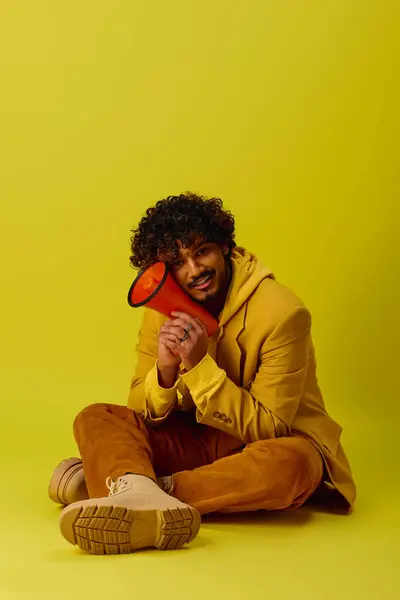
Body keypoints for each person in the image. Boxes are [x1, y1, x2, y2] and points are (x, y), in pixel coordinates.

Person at [48, 192, 356, 555]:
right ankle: (136, 492)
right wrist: (164, 372)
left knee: (296, 465)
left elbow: (271, 426)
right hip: (196, 439)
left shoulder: (283, 312)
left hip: (265, 445)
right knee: (97, 417)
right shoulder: (161, 306)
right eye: (178, 262)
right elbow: (136, 409)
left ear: (224, 246)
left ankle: (129, 490)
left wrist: (197, 367)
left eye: (202, 251)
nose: (194, 270)